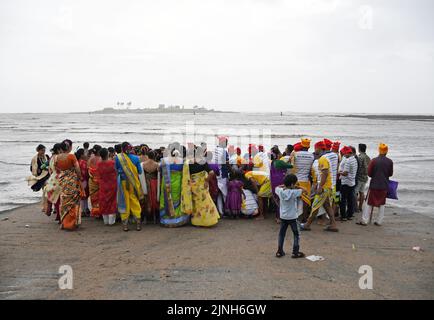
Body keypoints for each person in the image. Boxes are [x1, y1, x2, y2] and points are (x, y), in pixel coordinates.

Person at [300, 141, 339, 232]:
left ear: (319, 148)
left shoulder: (322, 159)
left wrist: (320, 186)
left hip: (324, 187)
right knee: (327, 206)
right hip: (329, 186)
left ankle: (307, 224)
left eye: (315, 148)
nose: (314, 150)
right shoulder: (327, 157)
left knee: (315, 206)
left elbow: (325, 173)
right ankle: (333, 225)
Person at [358, 143, 393, 226]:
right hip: (384, 185)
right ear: (386, 152)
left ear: (379, 151)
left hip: (374, 184)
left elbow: (369, 173)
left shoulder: (374, 160)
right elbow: (390, 173)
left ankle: (365, 220)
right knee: (382, 203)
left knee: (369, 202)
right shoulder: (390, 161)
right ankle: (379, 221)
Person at [159, 144, 191, 227]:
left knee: (166, 200)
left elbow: (159, 170)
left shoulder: (164, 160)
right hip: (178, 183)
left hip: (166, 183)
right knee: (176, 200)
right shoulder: (182, 161)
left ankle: (166, 220)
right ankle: (176, 220)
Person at [116, 142, 145, 231]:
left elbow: (116, 170)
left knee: (124, 202)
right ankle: (138, 224)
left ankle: (125, 225)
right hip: (133, 184)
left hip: (123, 183)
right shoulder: (136, 158)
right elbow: (140, 172)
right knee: (134, 200)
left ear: (122, 149)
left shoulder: (118, 158)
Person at [275, 174, 306, 259]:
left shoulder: (280, 191)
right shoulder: (294, 192)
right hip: (293, 217)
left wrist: (283, 186)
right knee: (296, 234)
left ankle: (279, 251)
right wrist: (296, 187)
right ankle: (295, 252)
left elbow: (276, 187)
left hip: (283, 217)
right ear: (292, 184)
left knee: (281, 234)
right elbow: (305, 190)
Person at [55, 140, 83, 230]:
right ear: (69, 147)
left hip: (62, 180)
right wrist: (80, 177)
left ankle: (63, 223)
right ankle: (72, 223)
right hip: (72, 181)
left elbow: (57, 168)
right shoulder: (71, 156)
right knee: (74, 201)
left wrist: (64, 173)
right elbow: (77, 168)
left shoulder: (57, 157)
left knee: (64, 201)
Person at [189, 146, 219, 227]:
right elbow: (212, 173)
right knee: (206, 202)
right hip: (202, 185)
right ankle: (208, 220)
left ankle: (197, 221)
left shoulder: (189, 163)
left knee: (196, 203)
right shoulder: (203, 162)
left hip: (194, 186)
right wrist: (206, 180)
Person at [291, 138, 314, 222]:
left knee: (295, 199)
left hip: (296, 180)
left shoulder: (295, 154)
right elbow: (311, 169)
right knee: (306, 200)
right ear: (308, 147)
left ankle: (294, 217)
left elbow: (292, 166)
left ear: (301, 145)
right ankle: (304, 218)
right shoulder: (312, 156)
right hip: (305, 180)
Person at [97, 148, 117, 226]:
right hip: (112, 184)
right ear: (107, 154)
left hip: (103, 184)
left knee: (104, 200)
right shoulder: (112, 163)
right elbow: (116, 171)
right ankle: (111, 221)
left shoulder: (99, 164)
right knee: (112, 201)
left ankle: (105, 220)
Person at [338, 146, 358, 221]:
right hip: (352, 182)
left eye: (343, 154)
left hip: (346, 182)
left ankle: (343, 216)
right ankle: (350, 214)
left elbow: (345, 173)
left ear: (347, 153)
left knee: (343, 200)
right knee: (350, 199)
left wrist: (339, 172)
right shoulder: (354, 159)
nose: (343, 155)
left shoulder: (348, 161)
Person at [43, 143, 62, 220]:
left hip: (52, 179)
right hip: (58, 178)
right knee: (59, 199)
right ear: (58, 150)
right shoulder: (58, 158)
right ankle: (59, 216)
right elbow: (59, 169)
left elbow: (48, 168)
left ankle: (58, 215)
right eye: (61, 149)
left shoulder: (51, 158)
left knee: (56, 199)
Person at [212, 136, 230, 215]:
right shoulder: (224, 151)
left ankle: (220, 211)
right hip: (222, 175)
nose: (226, 144)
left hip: (214, 175)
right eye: (226, 143)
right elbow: (226, 163)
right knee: (225, 194)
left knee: (218, 194)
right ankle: (227, 210)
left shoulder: (213, 150)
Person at [142, 150, 160, 223]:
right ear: (154, 156)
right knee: (154, 198)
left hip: (146, 182)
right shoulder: (156, 164)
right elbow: (159, 174)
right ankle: (156, 217)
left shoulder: (143, 164)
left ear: (148, 156)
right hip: (154, 182)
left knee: (147, 198)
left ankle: (148, 218)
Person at [355, 143, 371, 212]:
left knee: (355, 193)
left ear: (359, 149)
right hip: (365, 177)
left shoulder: (360, 157)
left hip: (359, 177)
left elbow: (358, 167)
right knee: (362, 192)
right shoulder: (368, 157)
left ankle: (355, 207)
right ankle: (360, 207)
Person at [88, 145, 102, 217]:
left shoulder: (90, 158)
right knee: (100, 196)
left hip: (92, 180)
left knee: (93, 197)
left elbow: (88, 168)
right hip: (99, 180)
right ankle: (99, 212)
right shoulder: (101, 159)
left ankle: (95, 212)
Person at [76, 148, 90, 217]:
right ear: (81, 155)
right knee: (84, 195)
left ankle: (84, 209)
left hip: (78, 180)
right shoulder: (83, 162)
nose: (86, 154)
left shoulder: (77, 161)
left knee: (82, 195)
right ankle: (83, 210)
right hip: (84, 180)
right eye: (84, 153)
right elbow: (85, 173)